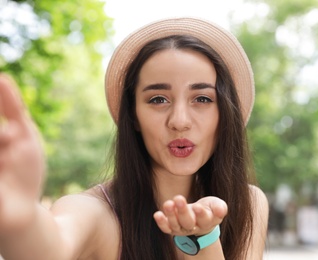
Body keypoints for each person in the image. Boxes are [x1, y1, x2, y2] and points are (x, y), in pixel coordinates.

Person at [0, 17, 268, 259]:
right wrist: (20, 216)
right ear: (133, 116)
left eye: (202, 99)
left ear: (225, 113)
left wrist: (205, 237)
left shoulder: (249, 203)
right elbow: (50, 248)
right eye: (158, 99)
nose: (180, 121)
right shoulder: (97, 213)